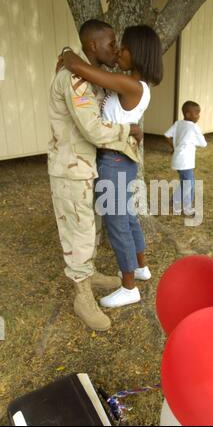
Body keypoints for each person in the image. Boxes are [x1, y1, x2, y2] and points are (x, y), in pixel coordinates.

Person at [49, 20, 143, 331]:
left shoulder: (88, 74)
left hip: (85, 166)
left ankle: (88, 275)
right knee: (80, 233)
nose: (115, 48)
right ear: (92, 47)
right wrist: (130, 130)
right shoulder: (74, 80)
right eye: (110, 43)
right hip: (72, 169)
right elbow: (93, 129)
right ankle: (82, 295)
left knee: (87, 228)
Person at [62, 23, 163, 309]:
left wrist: (71, 57)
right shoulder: (134, 83)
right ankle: (141, 268)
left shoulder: (132, 85)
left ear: (138, 54)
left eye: (124, 47)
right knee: (128, 217)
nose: (118, 51)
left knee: (117, 222)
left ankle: (129, 287)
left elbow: (89, 72)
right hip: (122, 160)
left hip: (114, 161)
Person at [164, 101, 207, 215]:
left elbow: (167, 135)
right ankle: (180, 205)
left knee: (187, 183)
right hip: (185, 162)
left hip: (179, 160)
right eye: (196, 113)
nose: (198, 116)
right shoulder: (194, 127)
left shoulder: (178, 124)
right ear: (188, 114)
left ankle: (179, 203)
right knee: (189, 185)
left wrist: (174, 147)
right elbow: (203, 144)